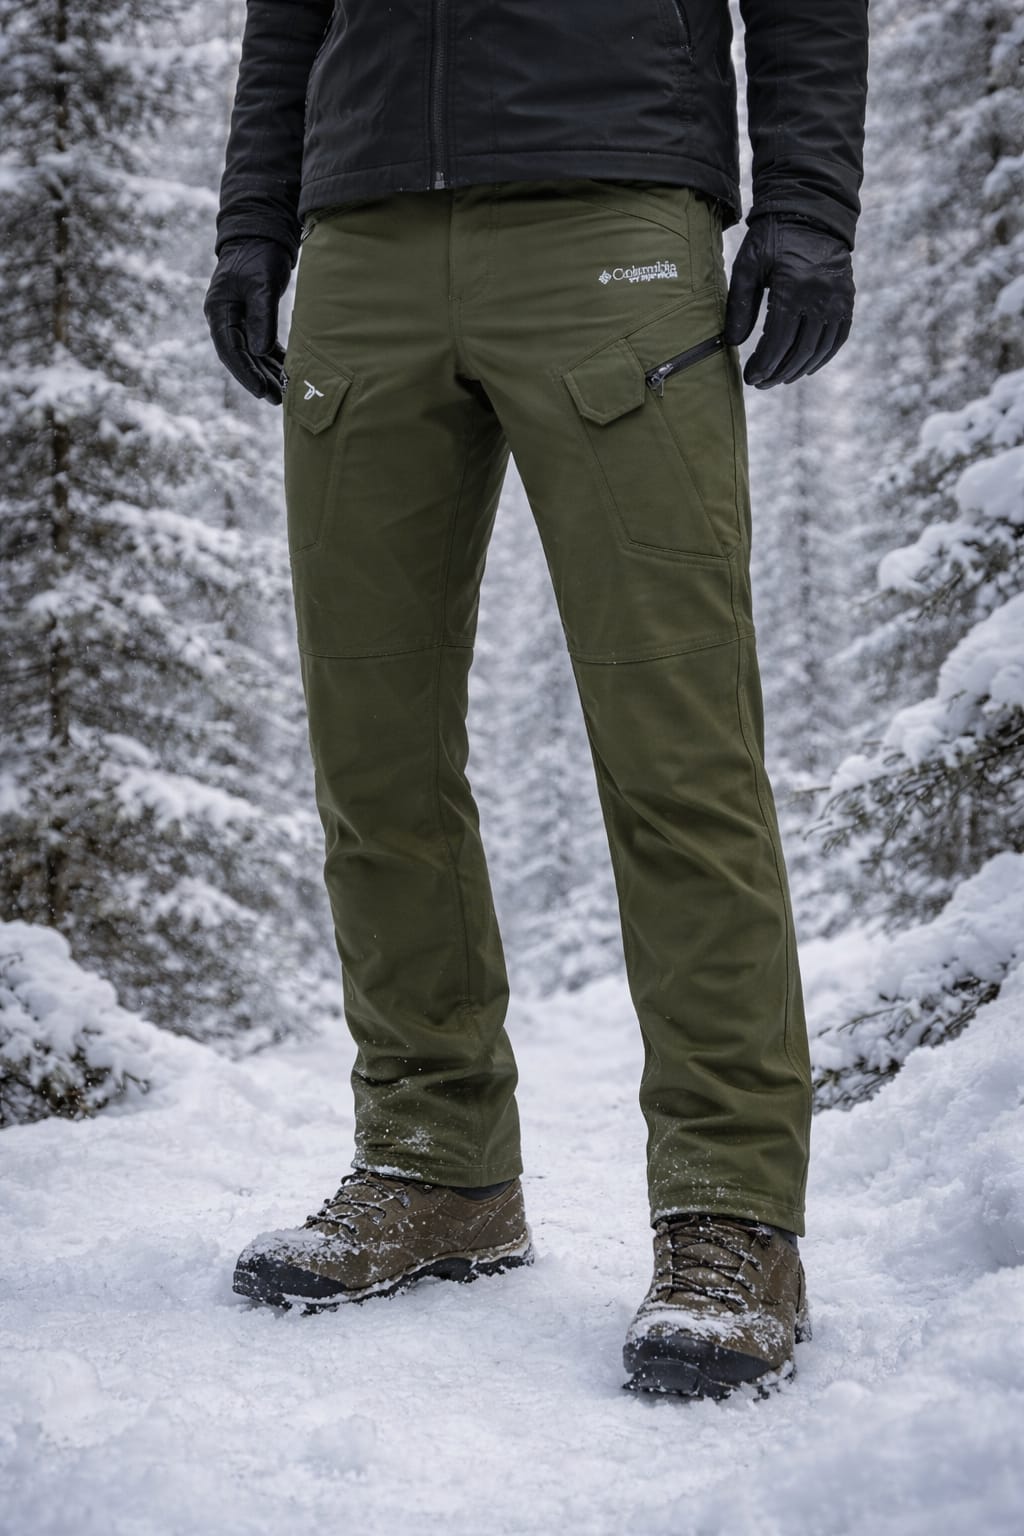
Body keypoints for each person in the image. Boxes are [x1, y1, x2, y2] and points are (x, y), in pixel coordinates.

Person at [204, 0, 869, 1400]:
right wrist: (252, 222)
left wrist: (808, 208)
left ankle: (731, 1214)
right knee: (372, 752)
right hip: (363, 237)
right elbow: (287, 14)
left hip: (611, 210)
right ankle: (434, 1164)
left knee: (676, 747)